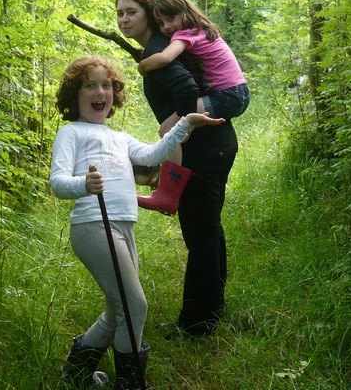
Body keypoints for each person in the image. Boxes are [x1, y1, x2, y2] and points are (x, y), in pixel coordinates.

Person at [49, 56, 223, 389]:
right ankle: (130, 383)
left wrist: (185, 124)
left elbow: (153, 154)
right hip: (93, 225)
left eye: (106, 85)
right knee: (135, 304)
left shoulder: (119, 137)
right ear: (75, 94)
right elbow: (57, 182)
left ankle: (76, 372)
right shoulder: (71, 133)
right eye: (90, 85)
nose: (100, 92)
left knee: (119, 310)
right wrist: (83, 185)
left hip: (123, 226)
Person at [116, 0, 240, 338]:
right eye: (120, 14)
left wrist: (174, 122)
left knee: (200, 235)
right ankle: (211, 308)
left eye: (131, 12)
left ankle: (196, 325)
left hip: (204, 146)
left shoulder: (160, 49)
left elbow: (186, 90)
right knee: (208, 229)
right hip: (214, 142)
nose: (124, 19)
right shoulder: (160, 48)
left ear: (149, 14)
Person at [137, 0, 250, 167]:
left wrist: (142, 66)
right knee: (172, 131)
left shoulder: (185, 34)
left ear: (186, 12)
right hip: (239, 91)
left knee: (169, 131)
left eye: (171, 18)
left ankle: (168, 188)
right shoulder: (202, 30)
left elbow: (165, 58)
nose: (166, 26)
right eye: (160, 22)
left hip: (227, 95)